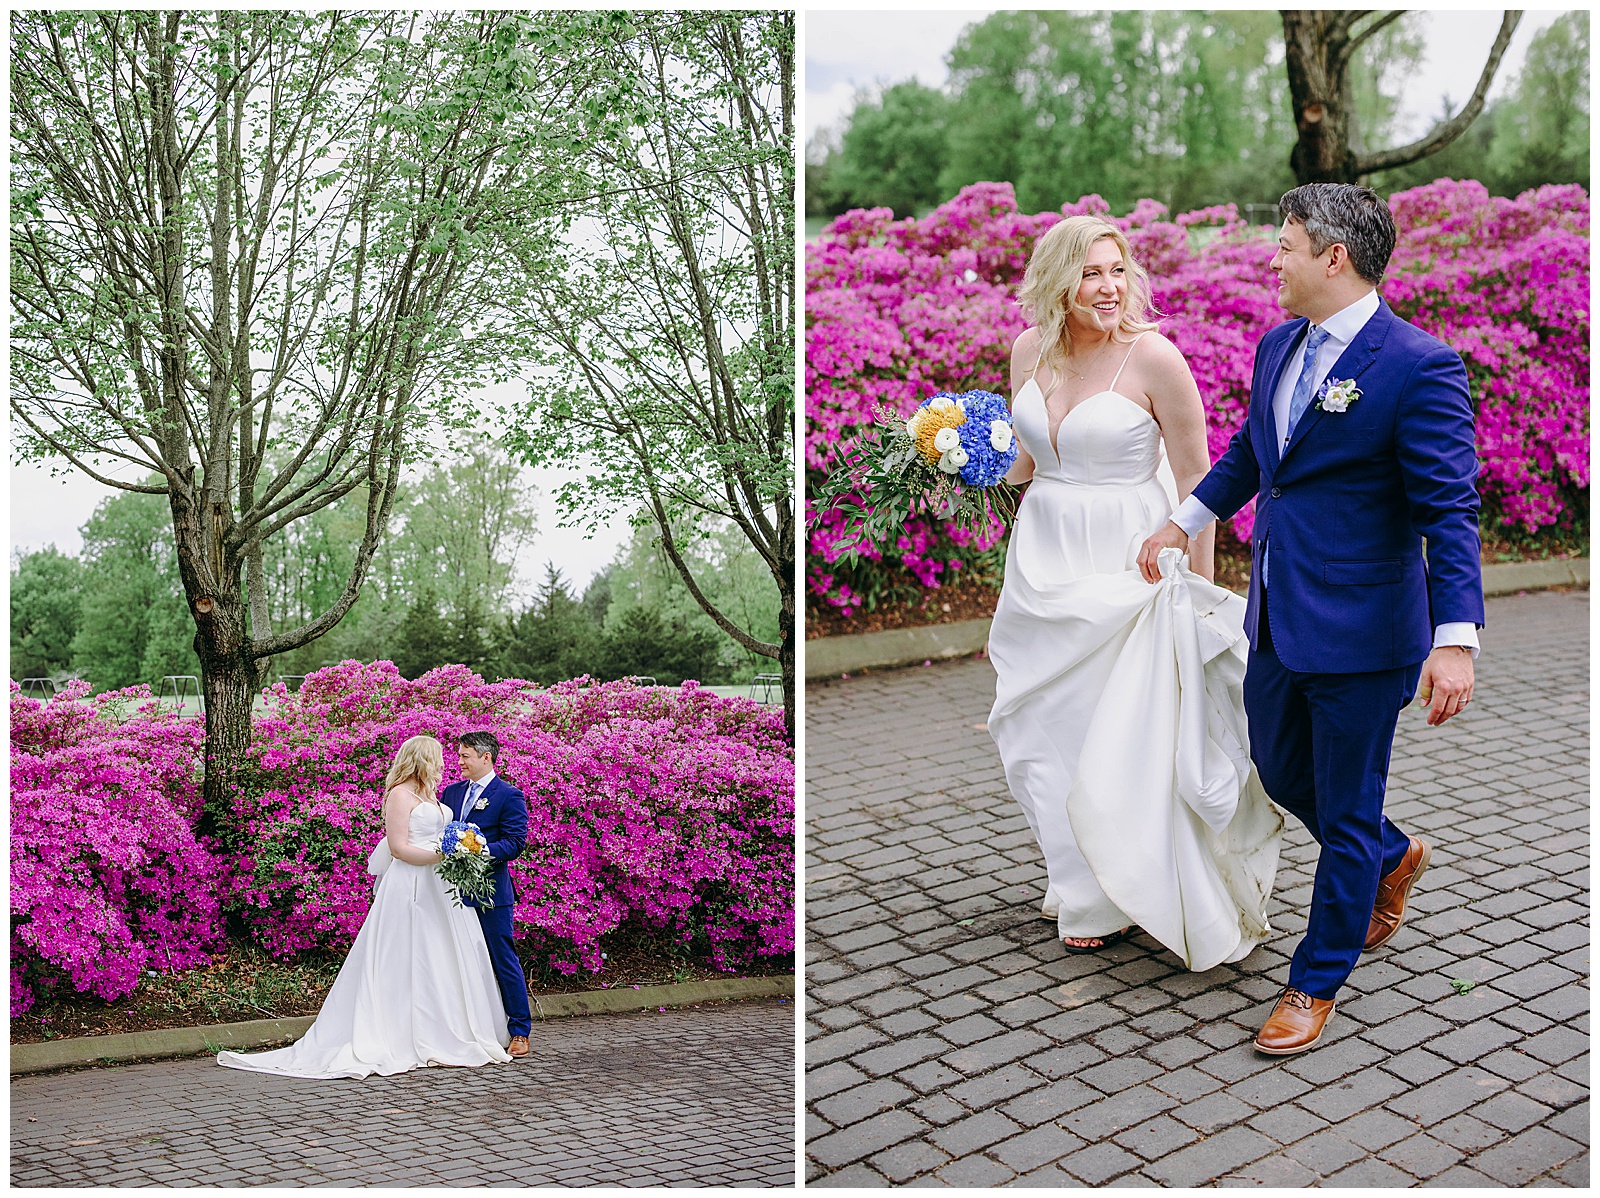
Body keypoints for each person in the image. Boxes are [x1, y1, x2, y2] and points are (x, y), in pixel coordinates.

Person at [1139, 183, 1483, 1055]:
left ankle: (1315, 979)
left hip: (1367, 630)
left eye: (1286, 244)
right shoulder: (1276, 345)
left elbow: (1450, 510)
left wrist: (1455, 640)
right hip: (1278, 614)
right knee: (1284, 771)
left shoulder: (1418, 365)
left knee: (1348, 799)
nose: (1273, 259)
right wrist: (1184, 517)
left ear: (1336, 257)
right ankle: (1390, 854)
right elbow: (1258, 452)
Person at [987, 214, 1284, 973]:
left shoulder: (1154, 359)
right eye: (1091, 273)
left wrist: (1202, 595)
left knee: (1116, 733)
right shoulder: (1029, 351)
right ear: (1058, 281)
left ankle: (1107, 896)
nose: (1110, 287)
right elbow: (1027, 461)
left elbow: (1199, 484)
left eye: (1118, 271)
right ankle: (1077, 872)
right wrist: (955, 452)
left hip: (1131, 563)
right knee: (1035, 730)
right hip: (1044, 555)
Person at [218, 735, 512, 1078]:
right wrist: (443, 855)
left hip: (440, 885)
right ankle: (399, 1033)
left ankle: (444, 1028)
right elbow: (399, 848)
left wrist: (456, 850)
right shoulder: (400, 795)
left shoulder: (432, 794)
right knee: (404, 955)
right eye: (439, 758)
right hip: (411, 883)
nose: (447, 763)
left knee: (441, 954)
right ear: (422, 760)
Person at [443, 731, 533, 1058]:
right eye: (460, 755)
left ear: (485, 757)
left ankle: (520, 1030)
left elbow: (515, 842)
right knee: (458, 961)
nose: (460, 761)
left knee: (502, 958)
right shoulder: (451, 793)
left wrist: (477, 850)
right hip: (451, 891)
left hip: (491, 893)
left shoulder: (509, 795)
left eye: (465, 756)